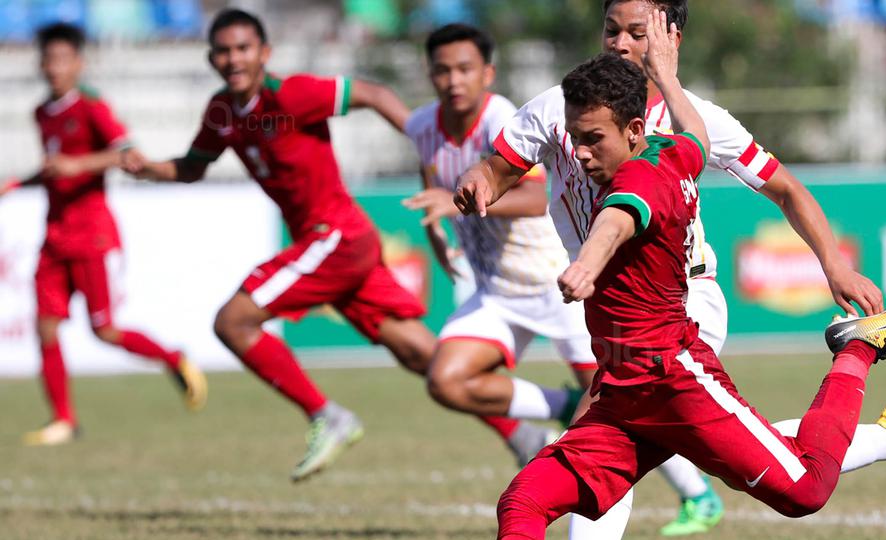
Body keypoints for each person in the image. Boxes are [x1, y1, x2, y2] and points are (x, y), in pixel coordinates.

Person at [451, 0, 886, 540]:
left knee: (692, 438)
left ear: (669, 38)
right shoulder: (570, 108)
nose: (619, 43)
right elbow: (501, 170)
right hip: (615, 328)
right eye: (611, 29)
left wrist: (832, 263)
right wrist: (479, 181)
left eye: (637, 32)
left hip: (676, 309)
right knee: (677, 441)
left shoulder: (666, 147)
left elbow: (640, 205)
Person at [124, 9, 538, 480]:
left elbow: (372, 92)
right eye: (223, 50)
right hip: (333, 245)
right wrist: (147, 168)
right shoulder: (221, 112)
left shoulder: (293, 94)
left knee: (234, 321)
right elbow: (193, 167)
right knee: (421, 355)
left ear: (264, 53)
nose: (234, 58)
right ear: (211, 58)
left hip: (335, 236)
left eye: (243, 48)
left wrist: (426, 140)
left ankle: (328, 415)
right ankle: (529, 433)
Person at [1, 22, 206, 447]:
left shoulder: (93, 107)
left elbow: (129, 154)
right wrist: (18, 184)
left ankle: (174, 358)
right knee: (45, 327)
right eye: (48, 60)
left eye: (63, 59)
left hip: (92, 236)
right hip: (54, 239)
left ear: (78, 63)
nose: (55, 68)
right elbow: (55, 170)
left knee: (105, 330)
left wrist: (81, 165)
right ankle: (63, 419)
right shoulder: (42, 113)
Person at [403, 23, 589, 465]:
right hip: (498, 290)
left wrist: (453, 202)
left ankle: (697, 492)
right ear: (430, 75)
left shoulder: (499, 117)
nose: (453, 80)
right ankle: (562, 408)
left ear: (487, 73)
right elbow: (430, 176)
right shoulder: (422, 125)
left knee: (611, 397)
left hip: (553, 281)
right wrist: (435, 231)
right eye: (442, 70)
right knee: (446, 380)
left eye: (464, 69)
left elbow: (536, 196)